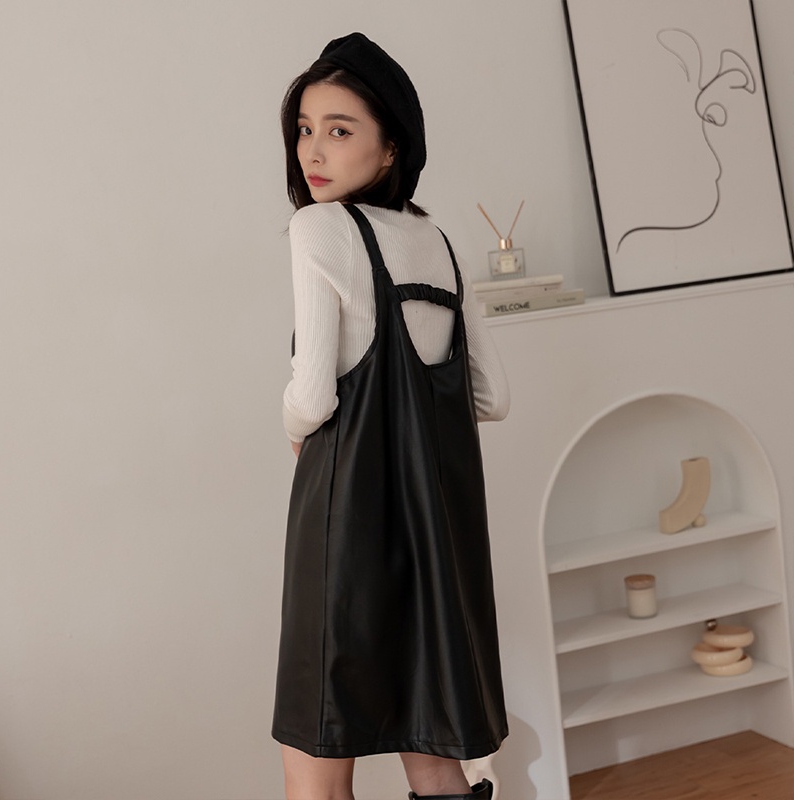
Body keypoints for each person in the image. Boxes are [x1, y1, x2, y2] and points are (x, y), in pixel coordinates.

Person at [273, 32, 510, 800]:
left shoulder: (319, 229)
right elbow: (492, 396)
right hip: (434, 537)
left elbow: (314, 396)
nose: (314, 150)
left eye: (340, 130)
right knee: (434, 757)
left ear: (390, 149)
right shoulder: (437, 240)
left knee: (316, 767)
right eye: (305, 129)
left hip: (344, 530)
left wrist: (294, 432)